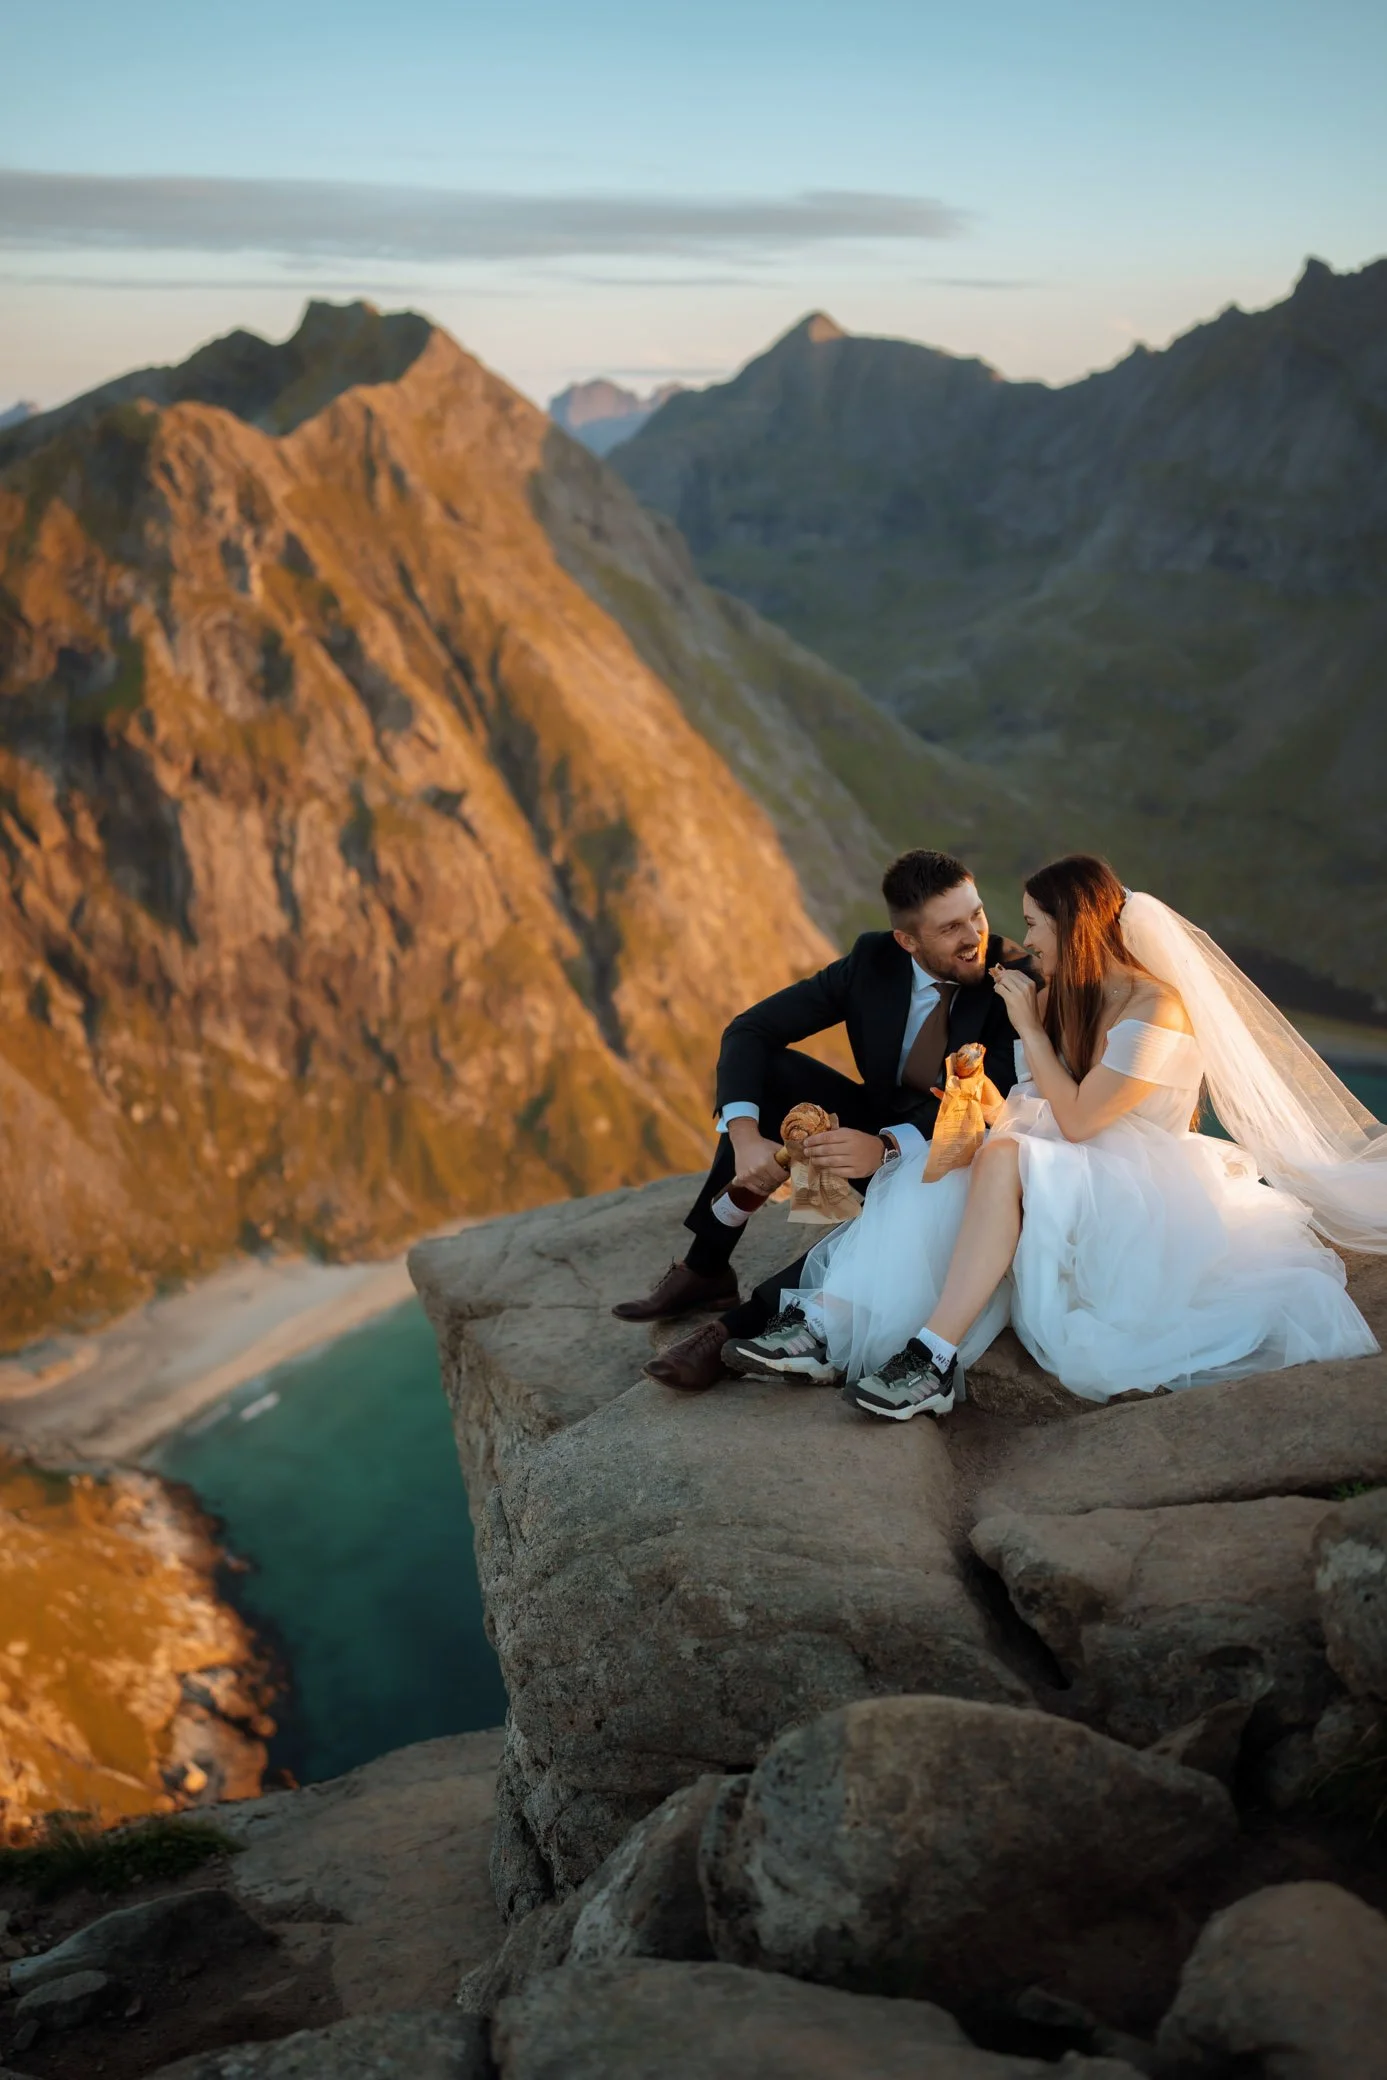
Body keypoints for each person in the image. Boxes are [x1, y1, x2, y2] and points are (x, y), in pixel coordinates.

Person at [748, 854, 1383, 1420]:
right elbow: (1033, 1102)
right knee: (945, 1167)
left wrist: (1026, 1024)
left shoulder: (1156, 1009)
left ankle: (931, 1356)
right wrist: (978, 1100)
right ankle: (832, 1322)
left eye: (1033, 923)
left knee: (997, 1159)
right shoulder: (1061, 996)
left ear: (1072, 927)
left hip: (1134, 1185)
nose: (1022, 939)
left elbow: (1080, 1119)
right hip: (1056, 1159)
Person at [610, 850, 1036, 1392]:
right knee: (774, 1071)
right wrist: (745, 1139)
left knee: (885, 1226)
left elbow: (980, 1102)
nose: (974, 934)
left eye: (976, 914)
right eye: (951, 927)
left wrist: (882, 1147)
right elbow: (750, 1030)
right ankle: (706, 1268)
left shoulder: (1012, 981)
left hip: (953, 1158)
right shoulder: (873, 960)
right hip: (875, 1127)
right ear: (908, 940)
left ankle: (725, 1336)